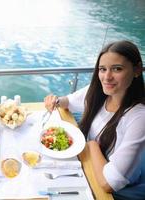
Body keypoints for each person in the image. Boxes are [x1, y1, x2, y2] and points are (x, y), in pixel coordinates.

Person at [44, 40, 145, 199]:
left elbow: (109, 183)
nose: (107, 77)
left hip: (117, 193)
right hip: (90, 165)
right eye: (102, 69)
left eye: (117, 69)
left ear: (137, 69)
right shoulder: (100, 92)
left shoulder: (139, 118)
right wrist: (56, 100)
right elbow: (69, 101)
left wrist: (91, 145)